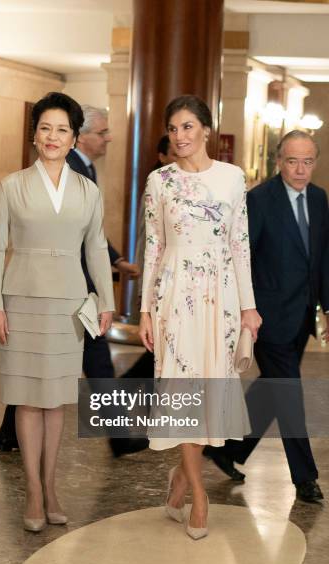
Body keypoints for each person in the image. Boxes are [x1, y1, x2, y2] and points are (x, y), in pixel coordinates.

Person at [0, 93, 115, 531]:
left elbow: (96, 247)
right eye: (45, 128)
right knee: (27, 398)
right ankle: (34, 492)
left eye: (62, 129)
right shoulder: (10, 186)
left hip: (68, 305)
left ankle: (52, 484)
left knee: (57, 401)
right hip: (20, 302)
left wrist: (108, 302)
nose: (53, 136)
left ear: (74, 137)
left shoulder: (88, 190)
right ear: (35, 134)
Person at [139, 94, 261, 539]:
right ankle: (199, 494)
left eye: (188, 127)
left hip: (221, 297)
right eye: (173, 129)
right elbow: (153, 247)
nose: (180, 136)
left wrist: (248, 306)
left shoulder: (232, 179)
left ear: (206, 130)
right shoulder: (159, 182)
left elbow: (239, 246)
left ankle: (179, 480)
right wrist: (146, 309)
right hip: (175, 296)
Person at [0, 105, 147, 458]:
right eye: (103, 132)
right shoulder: (67, 167)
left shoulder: (83, 172)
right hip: (63, 288)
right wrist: (112, 267)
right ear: (84, 134)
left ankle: (10, 432)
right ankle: (117, 432)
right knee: (88, 360)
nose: (108, 139)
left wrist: (114, 263)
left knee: (71, 362)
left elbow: (91, 234)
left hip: (77, 287)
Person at [204, 130, 329, 503]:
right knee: (288, 393)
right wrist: (245, 310)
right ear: (279, 161)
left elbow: (322, 258)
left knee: (274, 389)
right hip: (267, 318)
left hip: (302, 314)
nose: (301, 169)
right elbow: (242, 259)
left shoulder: (320, 199)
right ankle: (304, 477)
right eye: (293, 161)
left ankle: (228, 449)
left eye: (308, 161)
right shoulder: (259, 200)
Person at [124, 135, 178, 379]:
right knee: (160, 347)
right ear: (163, 157)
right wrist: (142, 293)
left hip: (179, 284)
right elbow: (148, 240)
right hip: (160, 284)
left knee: (163, 348)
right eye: (174, 154)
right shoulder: (155, 186)